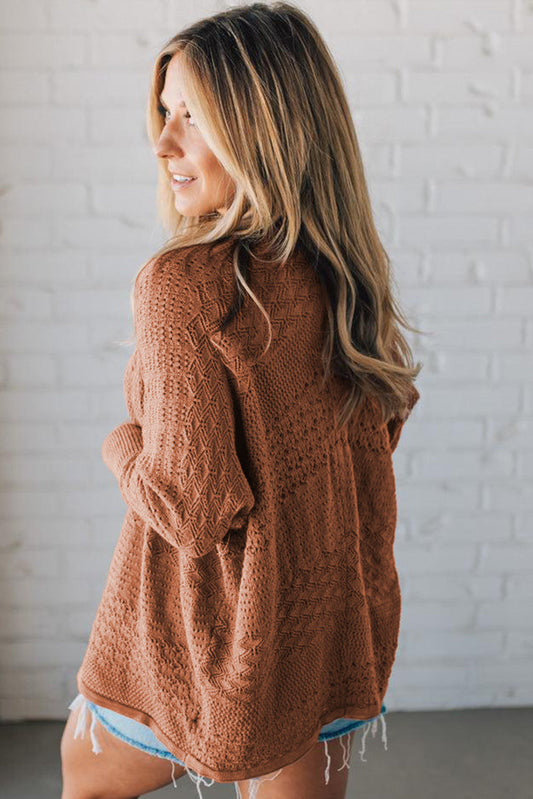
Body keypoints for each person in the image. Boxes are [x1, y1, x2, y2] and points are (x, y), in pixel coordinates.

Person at [60, 2, 422, 798]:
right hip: (327, 635)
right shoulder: (344, 274)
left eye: (193, 115)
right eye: (165, 112)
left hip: (214, 648)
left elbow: (191, 512)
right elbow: (372, 434)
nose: (163, 143)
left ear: (268, 129)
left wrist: (120, 442)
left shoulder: (184, 286)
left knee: (85, 778)